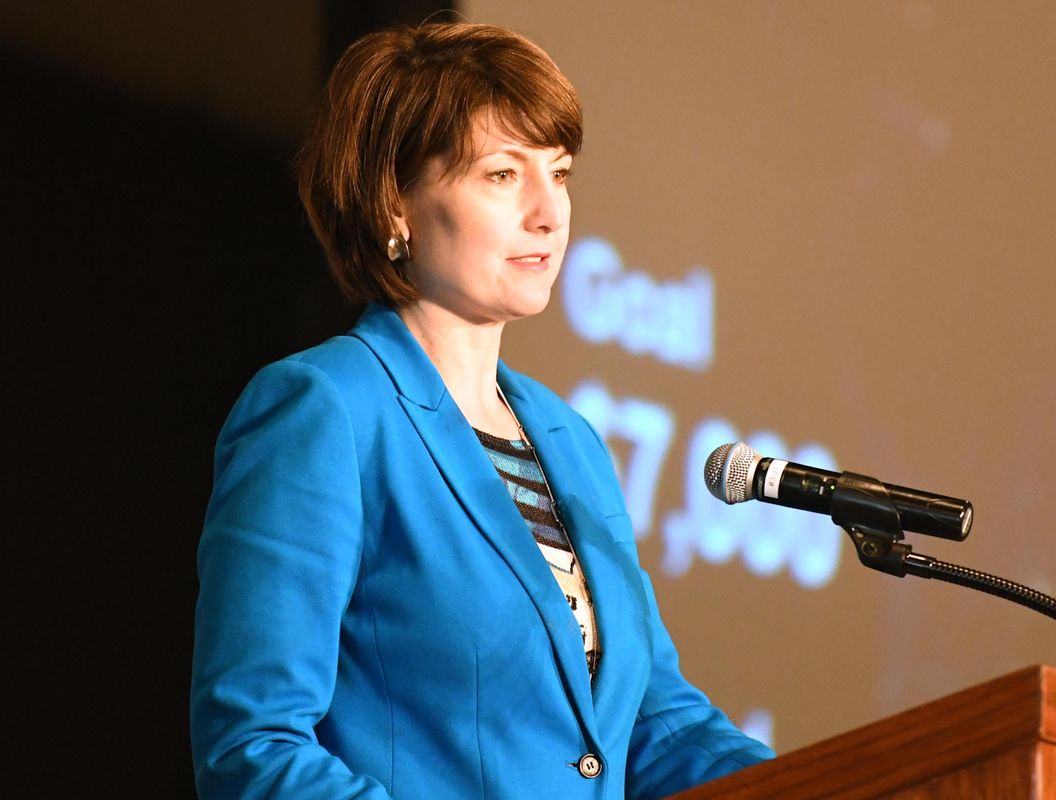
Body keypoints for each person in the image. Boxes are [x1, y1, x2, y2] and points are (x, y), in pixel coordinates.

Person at [190, 22, 774, 800]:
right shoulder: (327, 410)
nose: (549, 212)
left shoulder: (574, 443)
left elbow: (649, 724)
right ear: (395, 203)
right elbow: (252, 747)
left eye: (558, 173)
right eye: (502, 175)